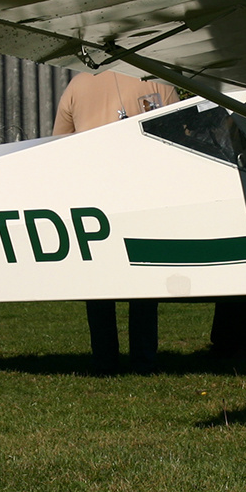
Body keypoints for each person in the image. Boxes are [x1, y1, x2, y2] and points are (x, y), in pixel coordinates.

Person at [53, 70, 179, 372]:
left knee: (99, 283)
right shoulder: (158, 80)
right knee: (144, 280)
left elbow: (59, 143)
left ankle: (104, 358)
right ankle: (144, 358)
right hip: (142, 193)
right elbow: (177, 133)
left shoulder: (78, 84)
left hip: (93, 195)